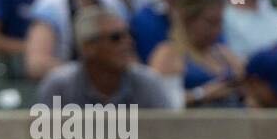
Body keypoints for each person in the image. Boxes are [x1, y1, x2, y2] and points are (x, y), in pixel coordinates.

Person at [37, 6, 174, 108]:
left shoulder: (148, 84)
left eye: (129, 35)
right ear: (88, 47)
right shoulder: (59, 86)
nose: (128, 43)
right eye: (116, 38)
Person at [148, 0, 246, 108]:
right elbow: (161, 102)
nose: (217, 30)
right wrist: (202, 94)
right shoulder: (169, 54)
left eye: (220, 22)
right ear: (188, 19)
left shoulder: (224, 54)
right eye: (210, 22)